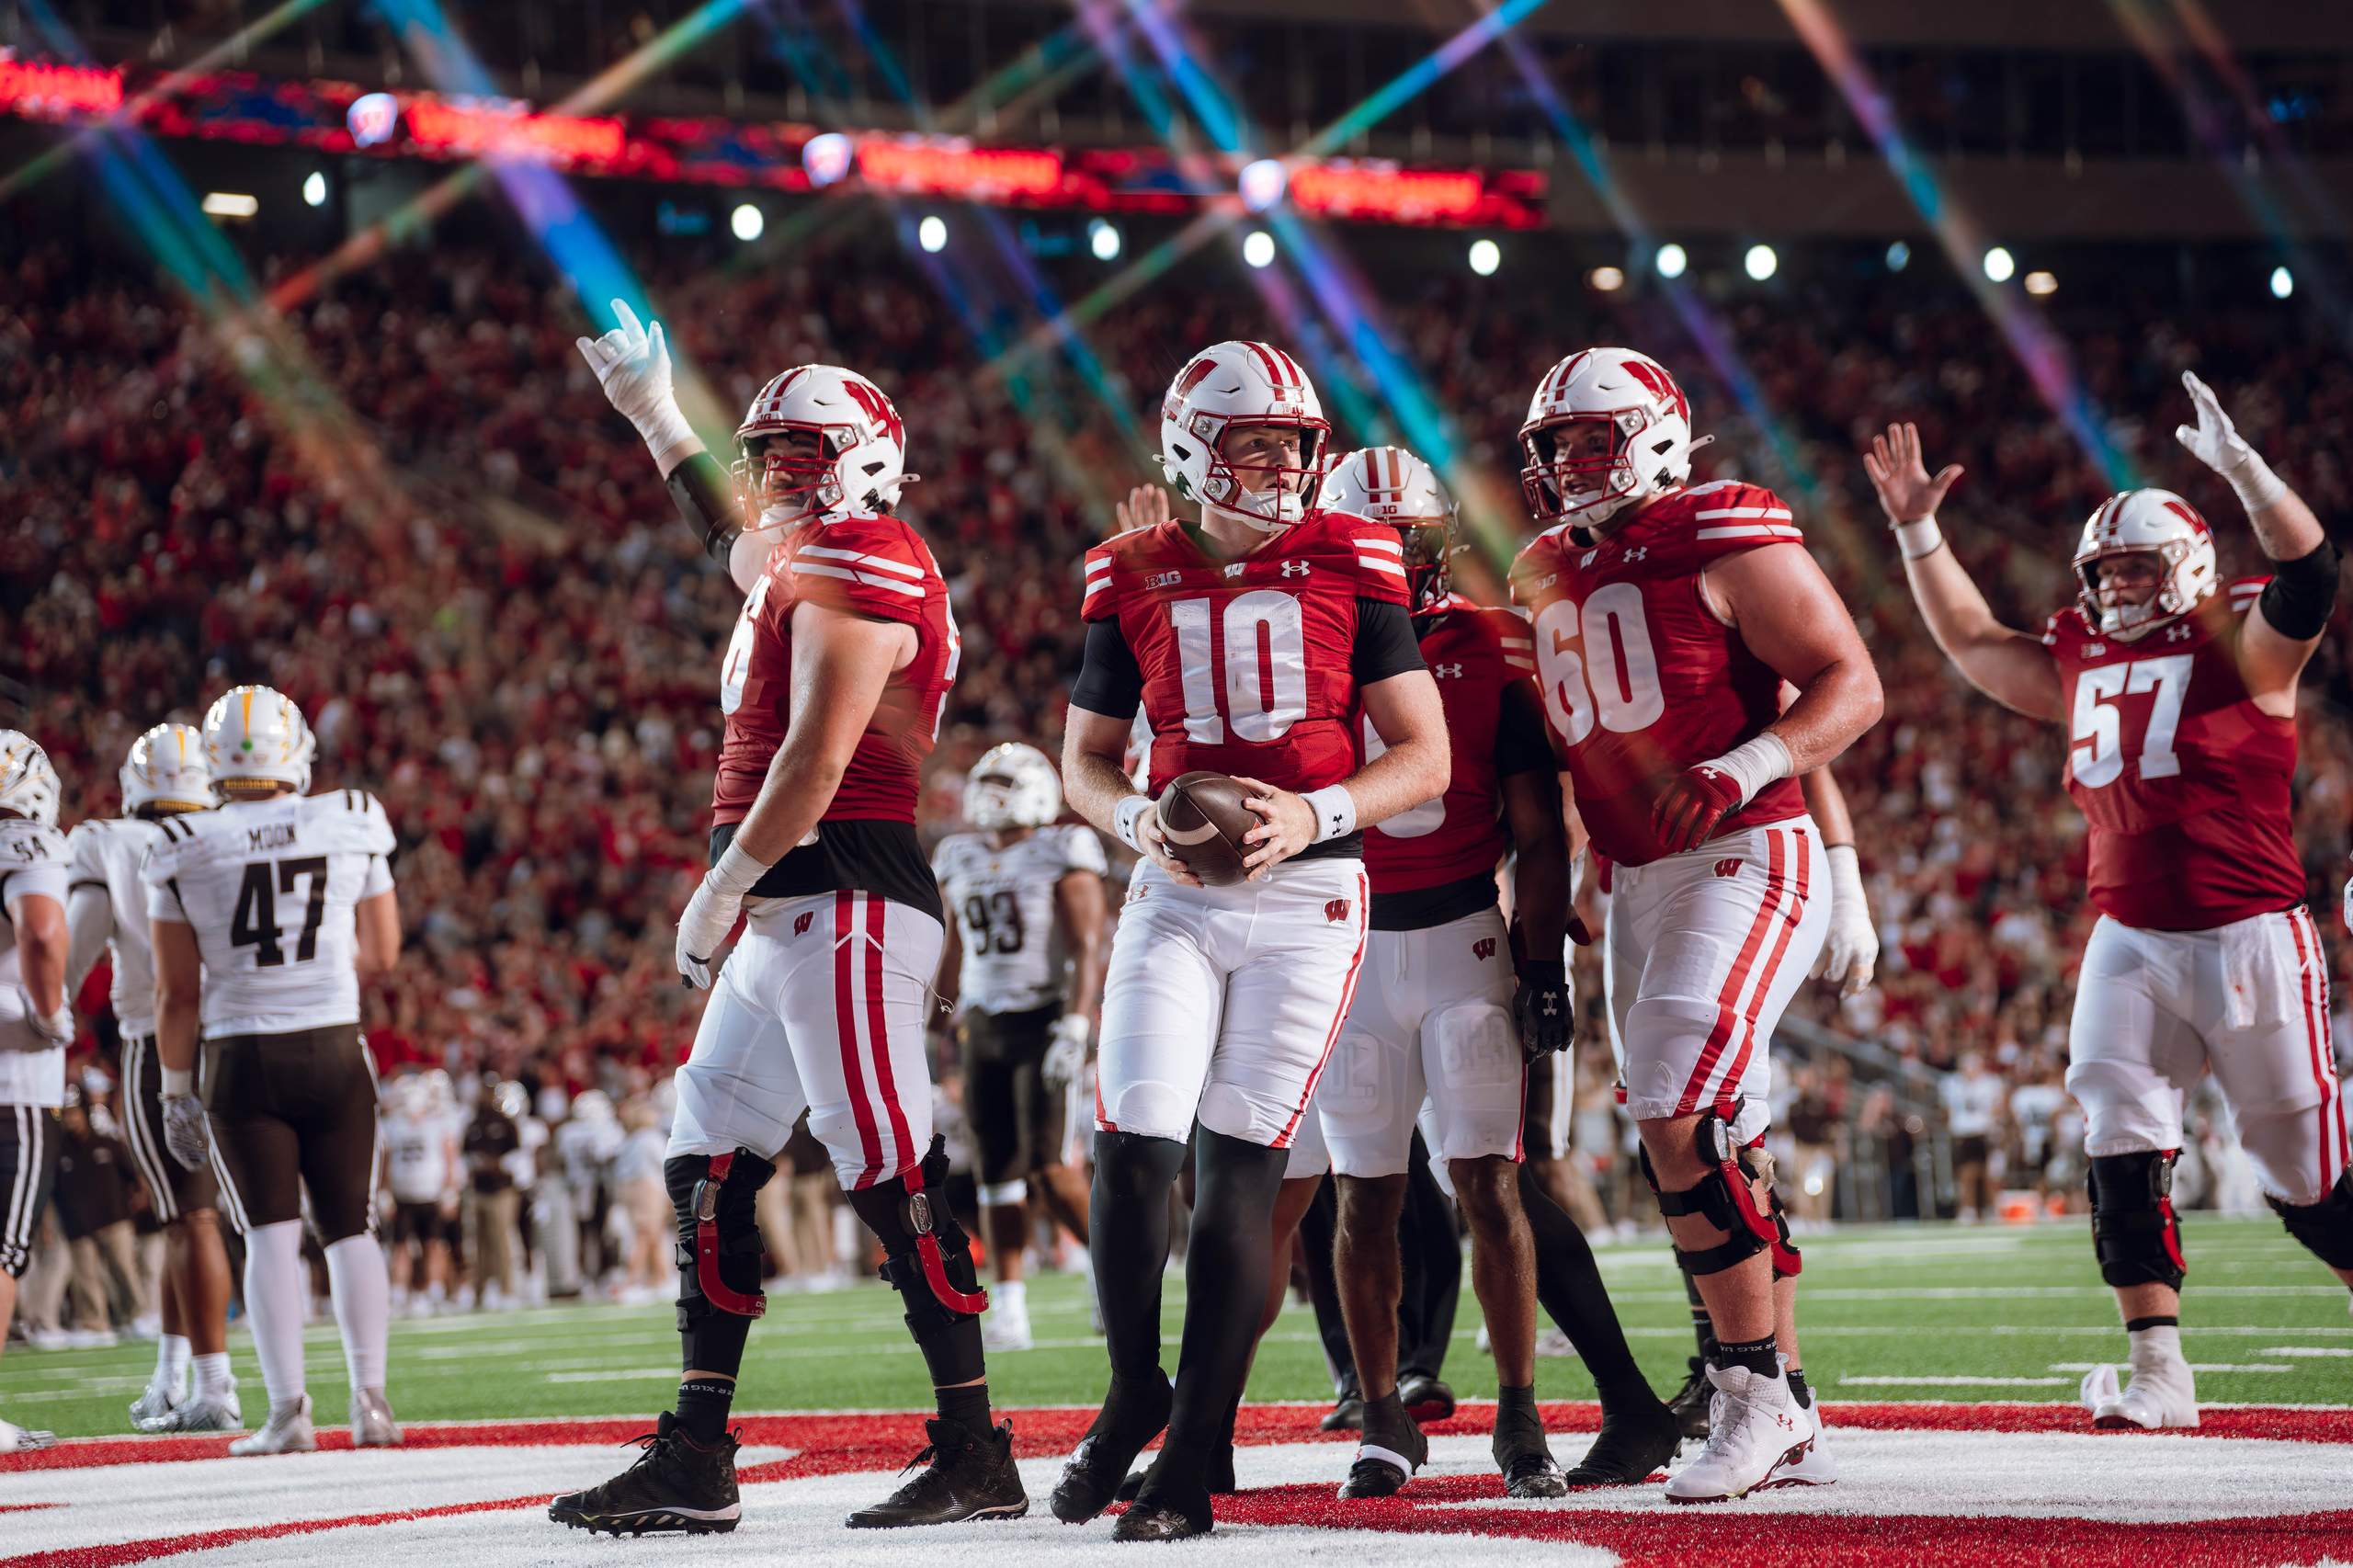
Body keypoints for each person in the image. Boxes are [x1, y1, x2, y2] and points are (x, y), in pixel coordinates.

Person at [554, 305, 1019, 1535]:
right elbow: (728, 536)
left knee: (889, 1172)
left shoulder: (872, 557)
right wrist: (655, 414)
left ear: (863, 460)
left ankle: (976, 1448)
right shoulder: (809, 561)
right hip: (795, 917)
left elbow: (814, 760)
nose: (773, 479)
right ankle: (698, 1451)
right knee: (706, 1157)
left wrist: (713, 890)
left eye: (799, 457)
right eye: (768, 457)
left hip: (848, 901)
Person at [1864, 373, 2350, 1431]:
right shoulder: (2082, 651)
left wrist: (2248, 473)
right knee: (2119, 1136)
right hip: (2128, 936)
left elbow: (2311, 573)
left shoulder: (2243, 643)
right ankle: (2159, 1371)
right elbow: (1977, 644)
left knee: (2302, 1175)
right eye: (2105, 569)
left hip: (2250, 934)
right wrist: (1917, 535)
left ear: (2186, 567)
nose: (2119, 586)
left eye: (2137, 566)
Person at [1053, 341, 1449, 1540]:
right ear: (1189, 447)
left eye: (1291, 442)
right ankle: (1136, 1385)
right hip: (1173, 891)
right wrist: (1134, 818)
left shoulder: (1354, 554)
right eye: (1252, 442)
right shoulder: (1126, 570)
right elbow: (1080, 760)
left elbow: (1422, 756)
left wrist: (1313, 812)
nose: (1278, 465)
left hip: (1308, 895)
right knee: (1132, 1143)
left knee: (1240, 1170)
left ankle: (1187, 1462)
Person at [1512, 347, 1881, 1502]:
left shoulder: (1724, 528)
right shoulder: (1540, 566)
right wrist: (1578, 858)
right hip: (1634, 875)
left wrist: (1754, 781)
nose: (1570, 462)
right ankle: (1792, 1391)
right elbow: (1589, 745)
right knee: (1724, 1131)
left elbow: (1845, 683)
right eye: (1555, 444)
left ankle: (1747, 1388)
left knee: (1677, 1098)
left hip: (1740, 844)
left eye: (1592, 438)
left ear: (1658, 434)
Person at [1310, 445, 1678, 1498]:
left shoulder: (1484, 642)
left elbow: (1537, 826)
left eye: (1406, 540)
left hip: (1466, 935)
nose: (1389, 557)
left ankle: (1519, 1417)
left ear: (1435, 546)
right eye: (1369, 539)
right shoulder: (1302, 648)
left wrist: (1539, 956)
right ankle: (1382, 1413)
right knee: (1364, 1198)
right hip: (1347, 943)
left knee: (1488, 1182)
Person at [146, 686, 403, 1456]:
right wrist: (318, 976)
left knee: (268, 1234)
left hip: (240, 1054)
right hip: (331, 1042)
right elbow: (384, 954)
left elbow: (175, 994)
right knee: (350, 1230)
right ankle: (371, 1404)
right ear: (295, 750)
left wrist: (174, 1091)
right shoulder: (349, 814)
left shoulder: (184, 840)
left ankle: (290, 1412)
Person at [64, 723, 241, 1430]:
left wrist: (48, 1012)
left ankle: (215, 1386)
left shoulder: (108, 839)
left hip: (156, 1042)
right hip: (235, 1037)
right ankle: (173, 1374)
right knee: (185, 1218)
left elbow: (75, 948)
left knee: (188, 1219)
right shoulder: (233, 832)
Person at [930, 742, 1108, 1351]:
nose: (990, 793)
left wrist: (1079, 1023)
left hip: (1044, 1020)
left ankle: (1107, 1276)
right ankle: (1009, 1307)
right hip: (982, 1025)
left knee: (1051, 1169)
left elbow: (1088, 946)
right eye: (986, 781)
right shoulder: (959, 854)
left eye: (1003, 781)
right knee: (995, 1175)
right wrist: (936, 1024)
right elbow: (954, 950)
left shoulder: (1061, 847)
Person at [0, 733, 73, 1451]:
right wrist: (50, 1014)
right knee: (3, 1250)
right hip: (12, 1084)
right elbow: (44, 935)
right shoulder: (28, 846)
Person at [383, 1072, 461, 1314]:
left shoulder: (437, 1123)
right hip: (404, 1194)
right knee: (402, 1247)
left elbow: (449, 1159)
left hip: (430, 1194)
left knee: (433, 1245)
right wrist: (384, 1192)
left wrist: (450, 1190)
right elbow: (386, 1162)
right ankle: (399, 1292)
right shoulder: (393, 1125)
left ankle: (434, 1291)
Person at [463, 1074, 525, 1309]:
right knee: (479, 1242)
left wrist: (495, 1164)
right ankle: (481, 1289)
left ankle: (506, 1288)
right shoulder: (474, 1124)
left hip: (501, 1190)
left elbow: (517, 1156)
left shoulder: (506, 1123)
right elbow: (465, 1154)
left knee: (501, 1239)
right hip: (479, 1188)